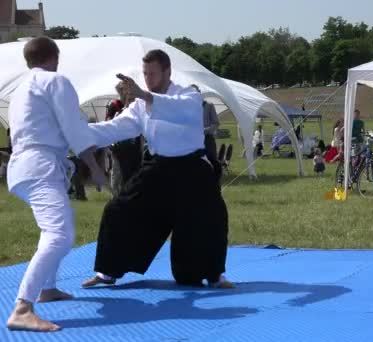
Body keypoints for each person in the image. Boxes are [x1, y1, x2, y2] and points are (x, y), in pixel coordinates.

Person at [81, 50, 232, 289]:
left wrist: (145, 95)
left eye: (153, 73)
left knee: (209, 218)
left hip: (192, 169)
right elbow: (115, 128)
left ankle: (213, 275)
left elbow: (182, 112)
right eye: (145, 74)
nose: (148, 78)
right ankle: (107, 272)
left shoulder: (188, 95)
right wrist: (77, 132)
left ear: (167, 72)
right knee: (118, 209)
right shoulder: (141, 105)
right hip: (159, 167)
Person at [5, 37, 106, 332]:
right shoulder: (55, 80)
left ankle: (47, 288)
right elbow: (73, 127)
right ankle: (22, 307)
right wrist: (95, 168)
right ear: (55, 57)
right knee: (60, 233)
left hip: (25, 166)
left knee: (53, 228)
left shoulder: (21, 88)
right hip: (40, 165)